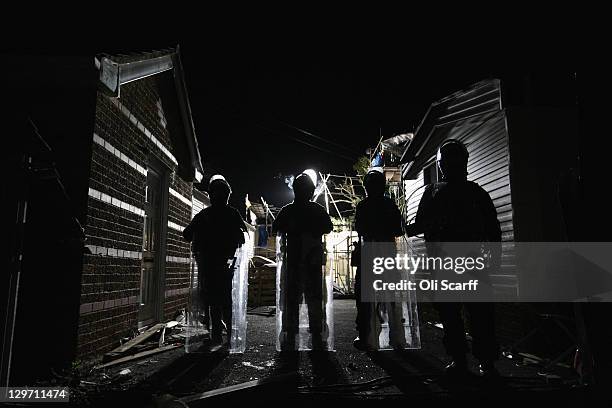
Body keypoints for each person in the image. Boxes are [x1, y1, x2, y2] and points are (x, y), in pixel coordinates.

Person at [406, 139, 502, 379]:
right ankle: (481, 362)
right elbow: (493, 227)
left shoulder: (437, 192)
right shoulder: (474, 191)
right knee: (474, 313)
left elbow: (419, 226)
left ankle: (465, 360)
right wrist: (495, 255)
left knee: (457, 314)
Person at [183, 175, 246, 347]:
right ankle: (229, 336)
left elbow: (186, 234)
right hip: (225, 265)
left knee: (213, 301)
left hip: (210, 265)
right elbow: (243, 237)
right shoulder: (232, 213)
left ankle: (218, 335)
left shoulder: (205, 215)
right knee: (224, 299)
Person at [273, 173, 333, 350]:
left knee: (295, 299)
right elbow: (328, 227)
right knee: (311, 298)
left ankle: (293, 333)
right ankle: (314, 333)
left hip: (298, 262)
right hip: (307, 263)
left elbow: (276, 227)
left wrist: (294, 228)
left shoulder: (289, 210)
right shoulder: (315, 210)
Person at [353, 168, 404, 351]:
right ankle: (396, 337)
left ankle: (367, 335)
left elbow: (360, 229)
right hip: (387, 256)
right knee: (390, 297)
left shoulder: (363, 206)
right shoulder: (390, 205)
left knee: (365, 298)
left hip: (369, 257)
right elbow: (399, 230)